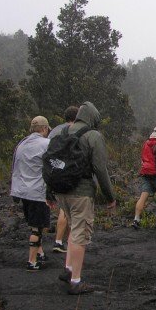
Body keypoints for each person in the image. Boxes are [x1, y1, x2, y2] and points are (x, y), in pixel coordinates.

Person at [53, 101, 117, 294]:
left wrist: (50, 192)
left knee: (74, 229)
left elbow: (51, 161)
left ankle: (69, 269)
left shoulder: (62, 132)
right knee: (81, 235)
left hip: (61, 190)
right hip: (81, 192)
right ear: (93, 118)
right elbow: (100, 168)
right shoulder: (93, 136)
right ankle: (76, 281)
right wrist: (110, 196)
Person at [10, 116, 53, 271]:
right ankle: (32, 261)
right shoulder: (46, 144)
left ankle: (40, 252)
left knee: (34, 224)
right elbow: (53, 165)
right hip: (37, 191)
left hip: (22, 190)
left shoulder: (21, 144)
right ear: (44, 128)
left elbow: (15, 166)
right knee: (37, 227)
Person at [48, 105, 79, 253]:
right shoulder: (75, 130)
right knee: (67, 210)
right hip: (68, 173)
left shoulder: (54, 131)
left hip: (53, 172)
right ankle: (60, 241)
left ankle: (61, 242)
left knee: (63, 207)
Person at [132, 126, 156, 229]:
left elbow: (143, 158)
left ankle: (136, 218)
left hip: (146, 173)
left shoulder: (146, 143)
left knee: (143, 196)